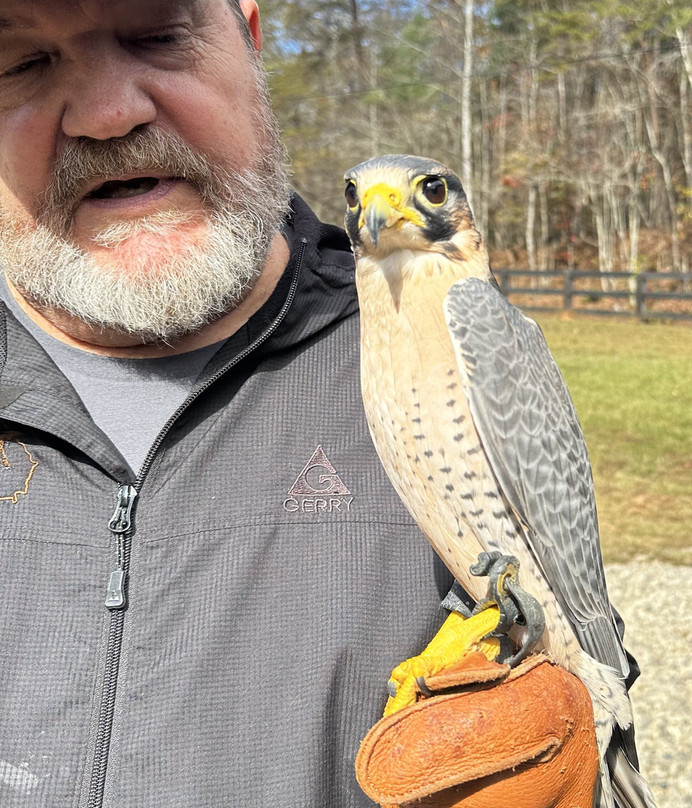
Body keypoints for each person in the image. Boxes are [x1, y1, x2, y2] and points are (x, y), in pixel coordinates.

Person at [0, 1, 615, 805]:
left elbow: (573, 642)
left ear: (251, 41)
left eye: (157, 36)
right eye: (19, 62)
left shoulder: (452, 348)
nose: (110, 114)